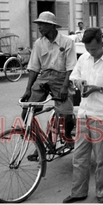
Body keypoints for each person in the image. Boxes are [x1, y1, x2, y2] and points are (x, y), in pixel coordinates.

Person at [63, 27, 103, 204]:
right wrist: (79, 84)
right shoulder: (84, 58)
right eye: (88, 49)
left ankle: (102, 192)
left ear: (101, 44)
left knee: (102, 159)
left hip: (102, 116)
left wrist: (97, 88)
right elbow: (75, 77)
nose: (90, 52)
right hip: (84, 114)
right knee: (79, 157)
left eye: (93, 49)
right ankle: (78, 192)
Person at [21, 12, 77, 160]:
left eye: (42, 24)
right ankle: (41, 146)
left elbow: (71, 67)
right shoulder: (39, 43)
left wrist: (65, 87)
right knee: (26, 112)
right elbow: (34, 68)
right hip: (44, 77)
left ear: (51, 25)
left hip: (62, 78)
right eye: (38, 24)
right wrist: (28, 89)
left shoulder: (67, 42)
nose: (39, 27)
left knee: (65, 116)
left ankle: (67, 137)